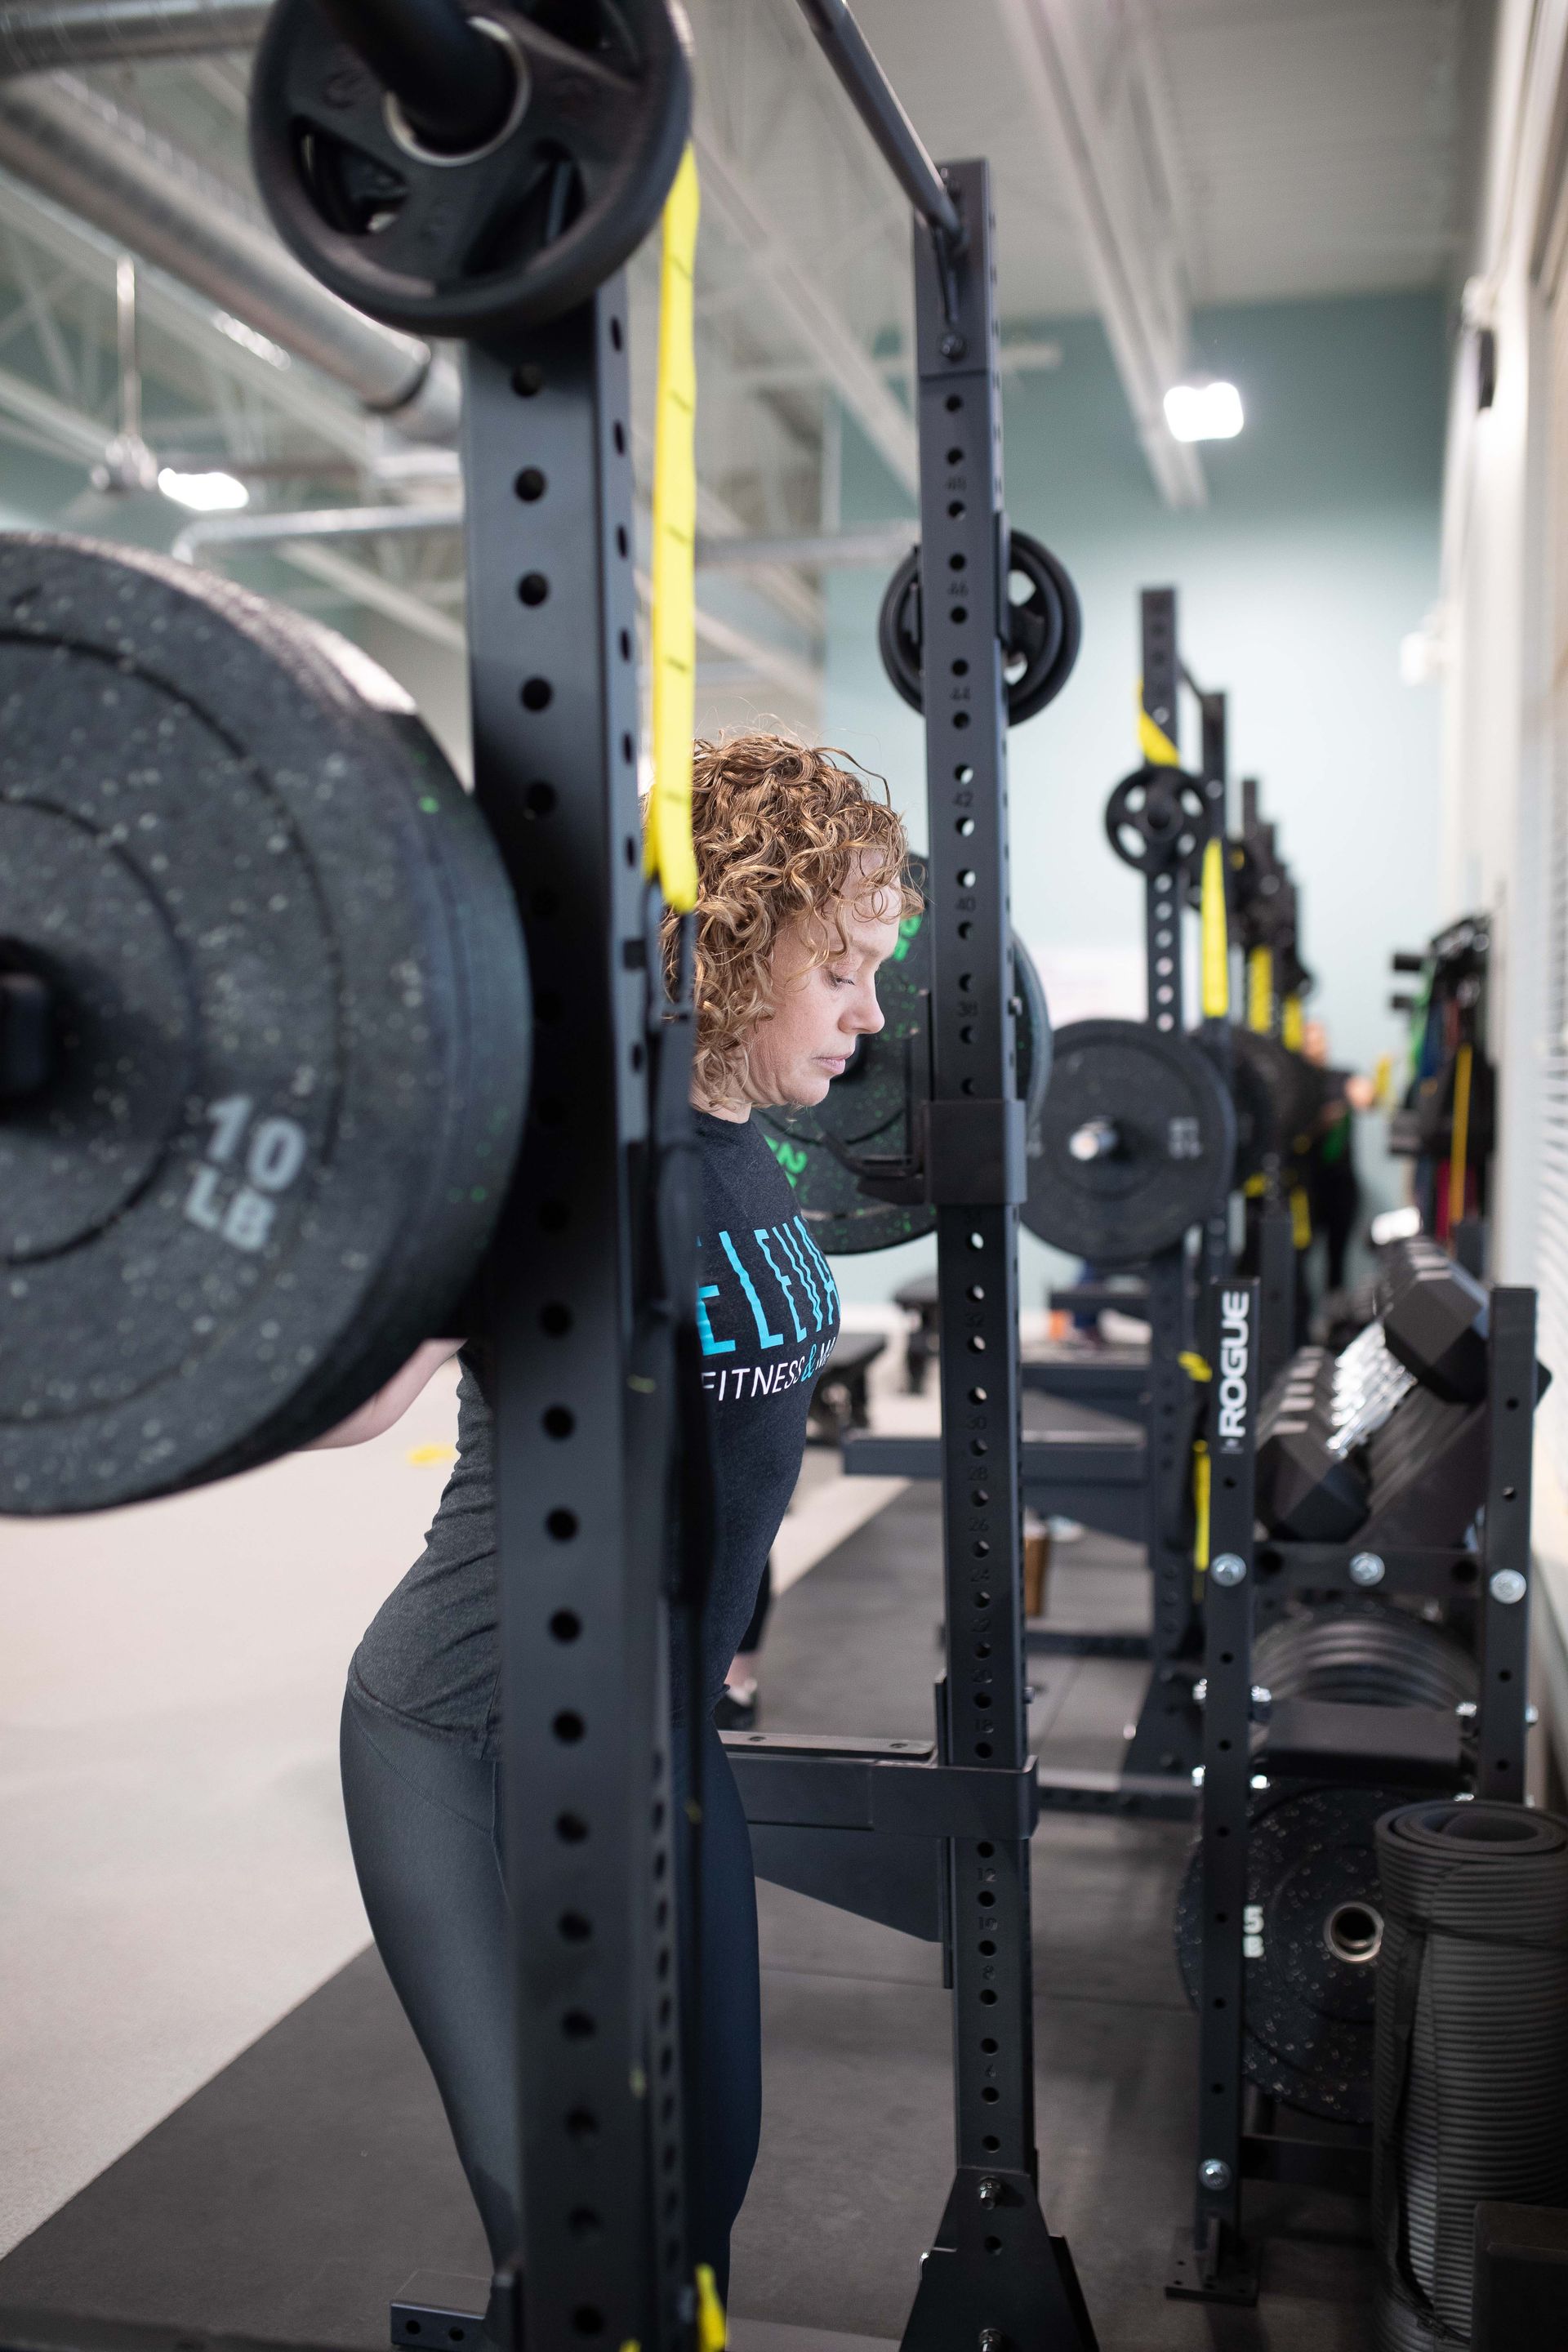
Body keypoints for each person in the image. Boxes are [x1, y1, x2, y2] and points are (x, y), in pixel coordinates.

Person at [311, 732, 917, 2305]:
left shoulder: (742, 1147)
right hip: (472, 1740)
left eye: (875, 971)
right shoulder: (568, 1155)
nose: (867, 1014)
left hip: (655, 1744)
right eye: (841, 969)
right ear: (731, 944)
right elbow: (359, 1403)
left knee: (704, 2192)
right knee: (579, 2249)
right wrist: (459, 1178)